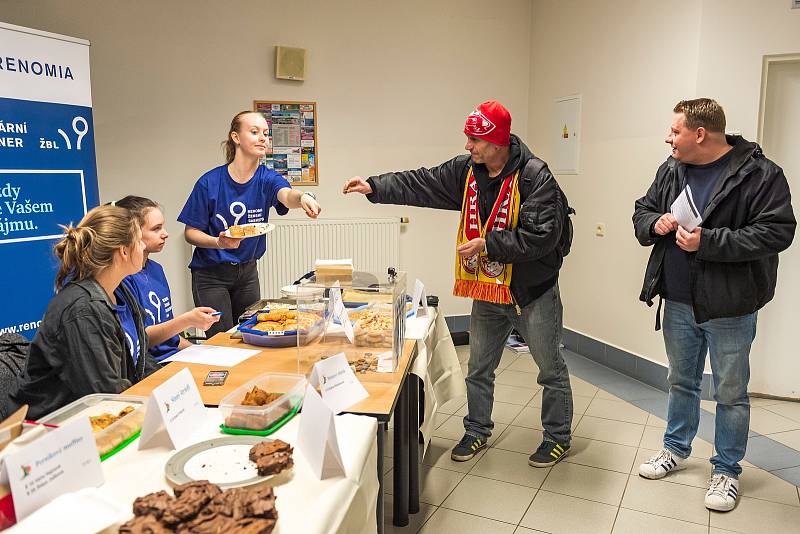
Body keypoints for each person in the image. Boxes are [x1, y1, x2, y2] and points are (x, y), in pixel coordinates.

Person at [343, 100, 574, 467]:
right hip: (488, 288)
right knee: (479, 367)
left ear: (497, 141)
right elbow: (422, 182)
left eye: (475, 139)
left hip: (532, 292)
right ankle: (477, 430)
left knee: (550, 369)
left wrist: (490, 244)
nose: (468, 145)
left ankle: (557, 437)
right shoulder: (469, 170)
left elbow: (542, 237)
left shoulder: (535, 177)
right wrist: (374, 186)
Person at [632, 98, 796, 511]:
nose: (668, 137)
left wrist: (710, 242)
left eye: (675, 130)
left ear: (700, 133)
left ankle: (726, 471)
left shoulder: (760, 173)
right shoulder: (670, 168)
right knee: (681, 381)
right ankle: (675, 448)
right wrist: (656, 222)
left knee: (730, 392)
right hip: (679, 301)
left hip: (731, 306)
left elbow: (778, 231)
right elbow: (642, 211)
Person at [178, 111, 322, 337]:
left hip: (247, 273)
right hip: (211, 274)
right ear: (236, 137)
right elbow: (191, 233)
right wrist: (219, 242)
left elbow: (286, 194)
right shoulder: (209, 182)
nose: (263, 138)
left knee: (251, 334)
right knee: (221, 340)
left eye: (265, 133)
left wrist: (303, 197)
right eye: (254, 132)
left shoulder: (267, 178)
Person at [9, 205, 159, 420]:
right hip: (50, 432)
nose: (144, 246)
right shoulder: (83, 310)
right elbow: (104, 394)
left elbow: (138, 357)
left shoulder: (120, 290)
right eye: (139, 240)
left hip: (97, 417)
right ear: (123, 251)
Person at [115, 196, 221, 362]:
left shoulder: (156, 270)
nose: (165, 234)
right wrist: (186, 321)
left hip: (174, 357)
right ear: (132, 233)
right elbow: (140, 340)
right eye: (156, 229)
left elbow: (172, 339)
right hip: (151, 365)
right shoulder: (122, 280)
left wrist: (205, 353)